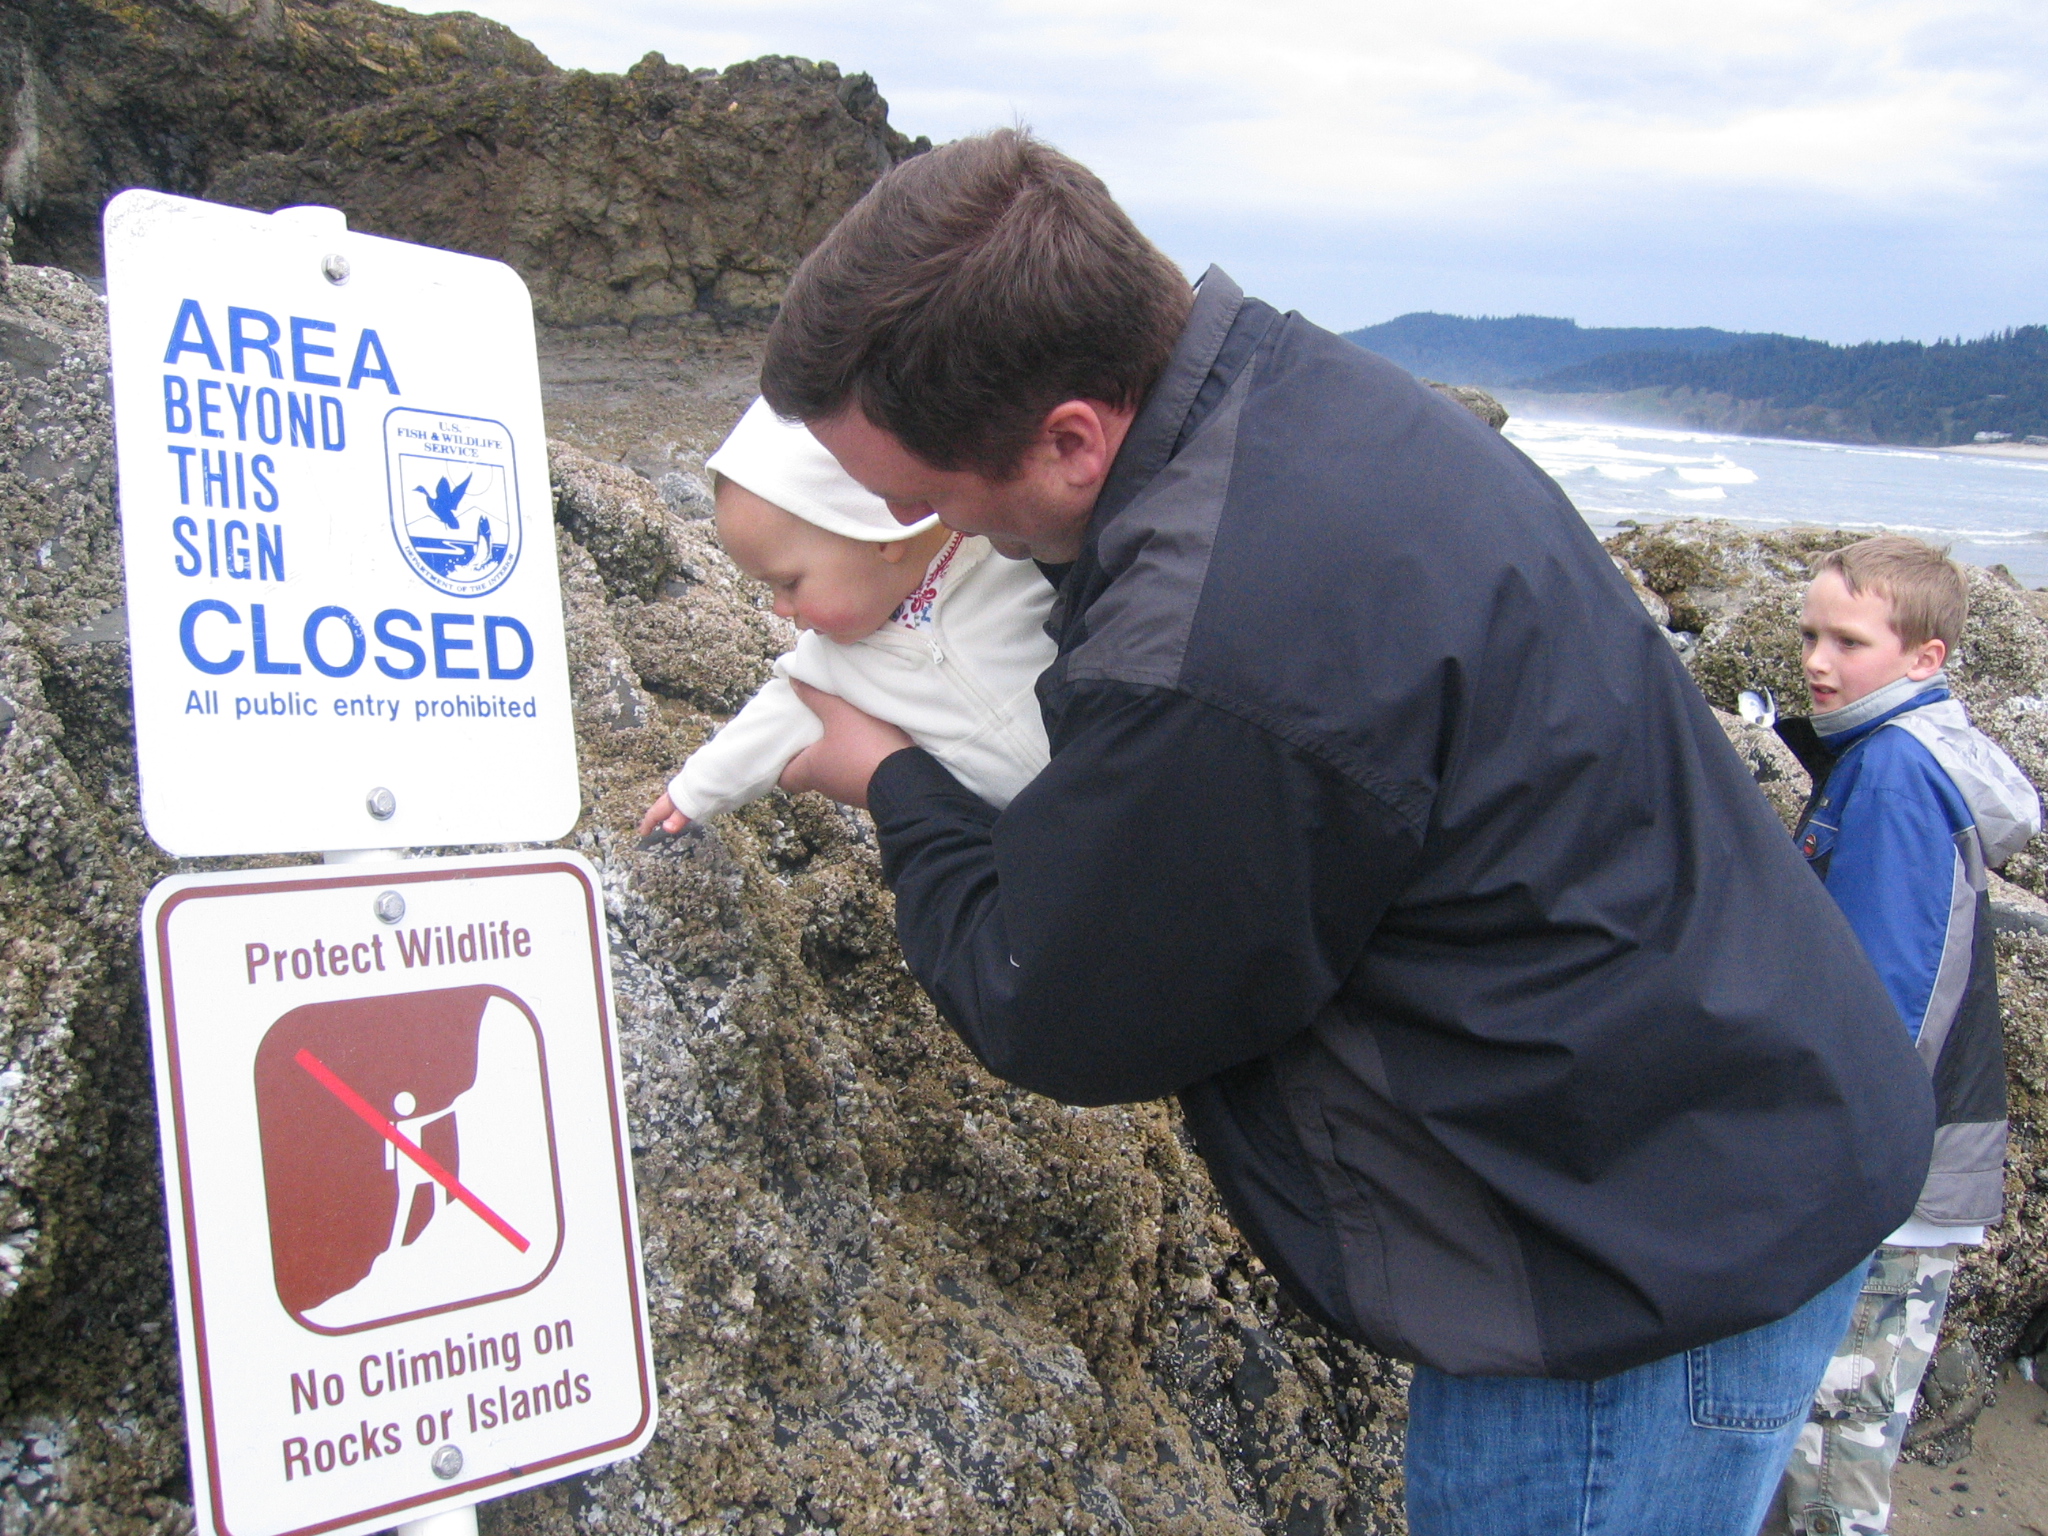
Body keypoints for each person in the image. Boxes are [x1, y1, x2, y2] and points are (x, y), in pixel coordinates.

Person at [759, 128, 1936, 1534]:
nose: (922, 534)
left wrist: (890, 775)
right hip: (1732, 1146)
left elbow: (1057, 994)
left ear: (1073, 434)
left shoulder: (1225, 645)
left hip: (1634, 1279)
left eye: (931, 499)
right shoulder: (1296, 392)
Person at [1761, 537, 2039, 1536]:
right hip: (1907, 1165)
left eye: (1847, 640)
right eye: (1806, 635)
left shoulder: (1888, 774)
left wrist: (1818, 1157)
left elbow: (1885, 1003)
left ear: (1924, 658)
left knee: (1826, 1459)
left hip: (1888, 1176)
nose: (1816, 661)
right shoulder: (1900, 757)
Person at [639, 398, 1055, 841]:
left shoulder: (1009, 554)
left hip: (1118, 783)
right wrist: (690, 794)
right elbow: (767, 727)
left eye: (789, 583)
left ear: (874, 533)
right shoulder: (830, 666)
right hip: (1033, 849)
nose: (779, 608)